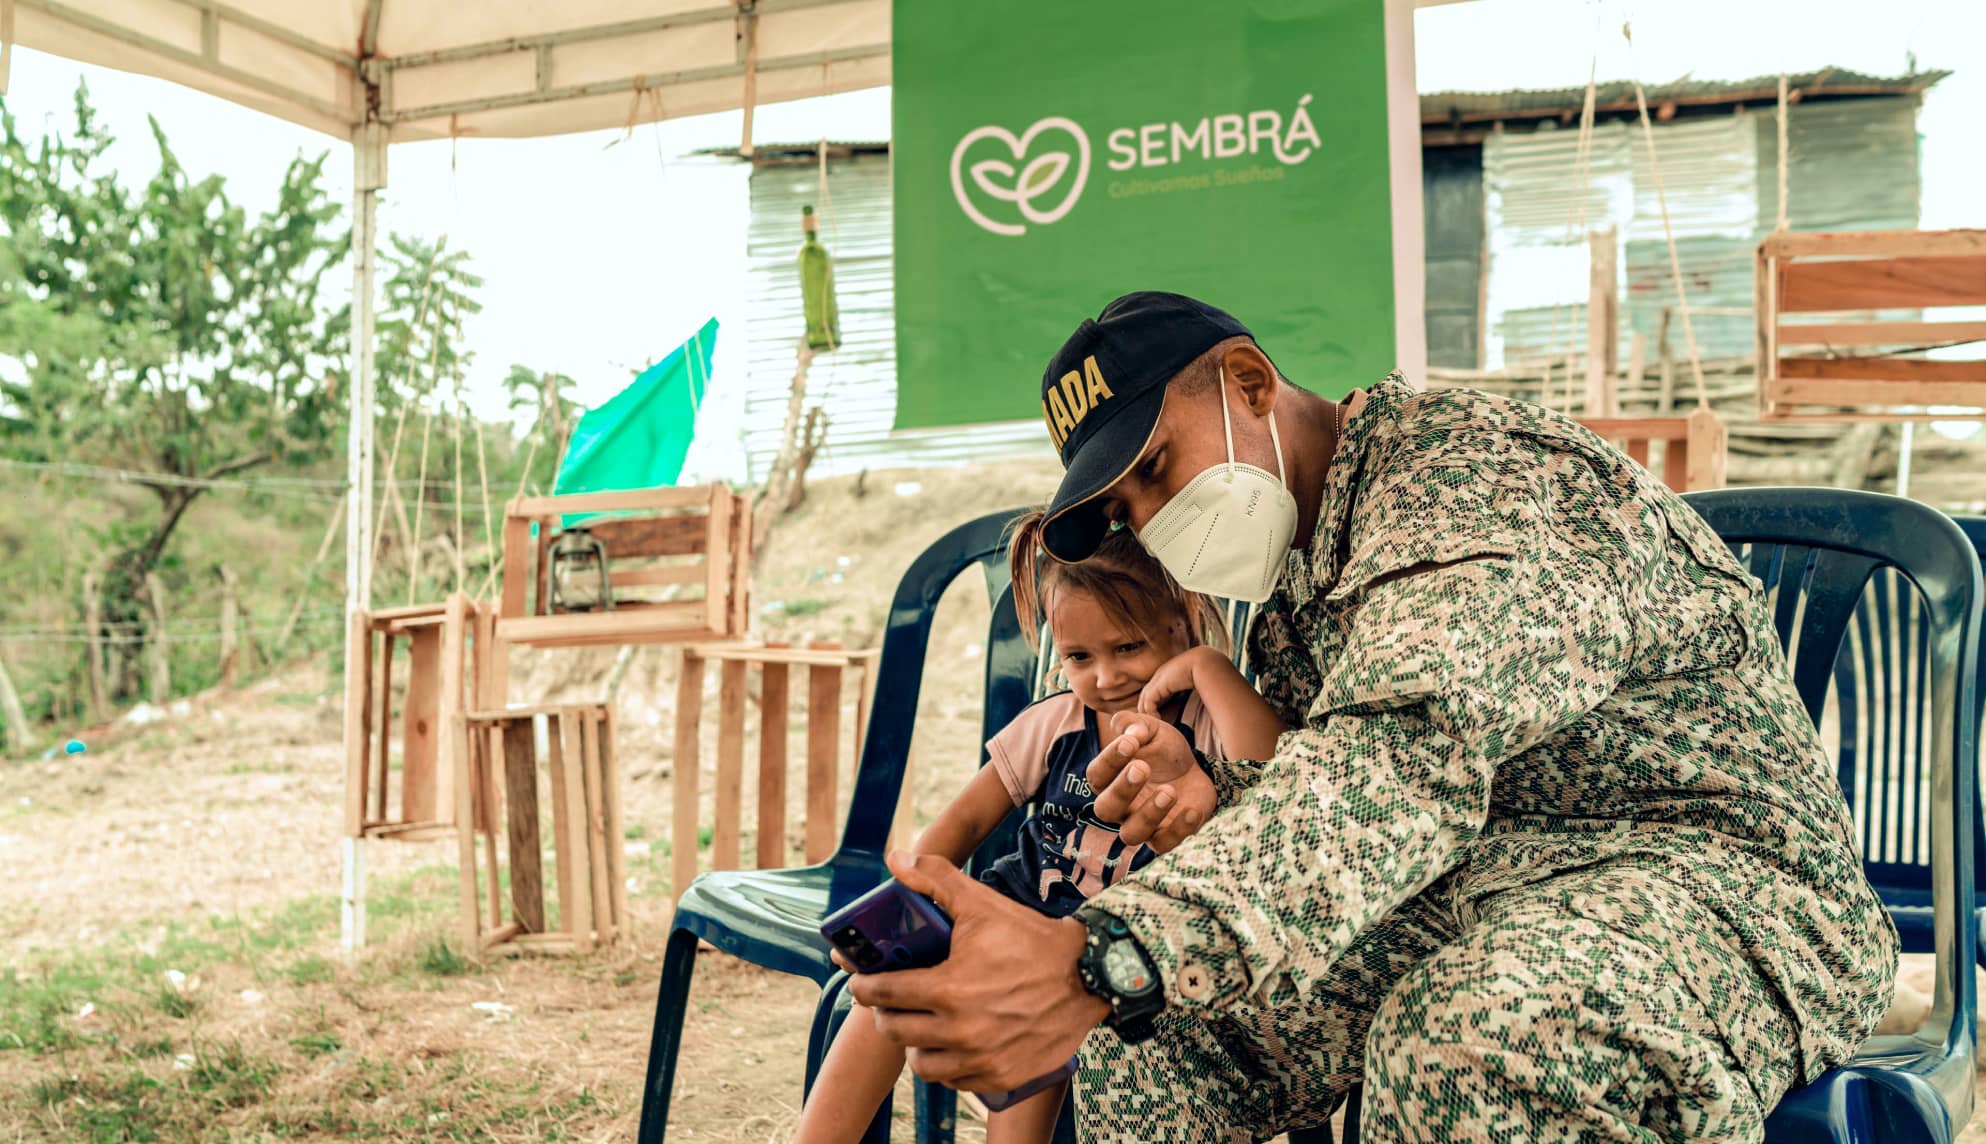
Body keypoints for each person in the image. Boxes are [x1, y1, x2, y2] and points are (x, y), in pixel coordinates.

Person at [847, 292, 1898, 1142]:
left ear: (1251, 382)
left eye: (1156, 469)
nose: (1156, 525)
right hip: (1471, 889)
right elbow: (1341, 799)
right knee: (1158, 1043)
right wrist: (1210, 796)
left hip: (1717, 884)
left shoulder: (1473, 478)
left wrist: (1111, 951)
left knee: (1470, 1038)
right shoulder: (1301, 566)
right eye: (1129, 513)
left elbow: (1404, 757)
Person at [796, 512, 1285, 1143]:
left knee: (1039, 1035)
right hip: (1019, 907)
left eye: (1128, 647)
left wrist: (1211, 669)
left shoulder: (1206, 720)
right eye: (1080, 655)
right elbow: (969, 817)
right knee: (885, 995)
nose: (1105, 678)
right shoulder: (1054, 723)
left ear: (1180, 623)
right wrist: (911, 900)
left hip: (1115, 942)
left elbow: (1274, 780)